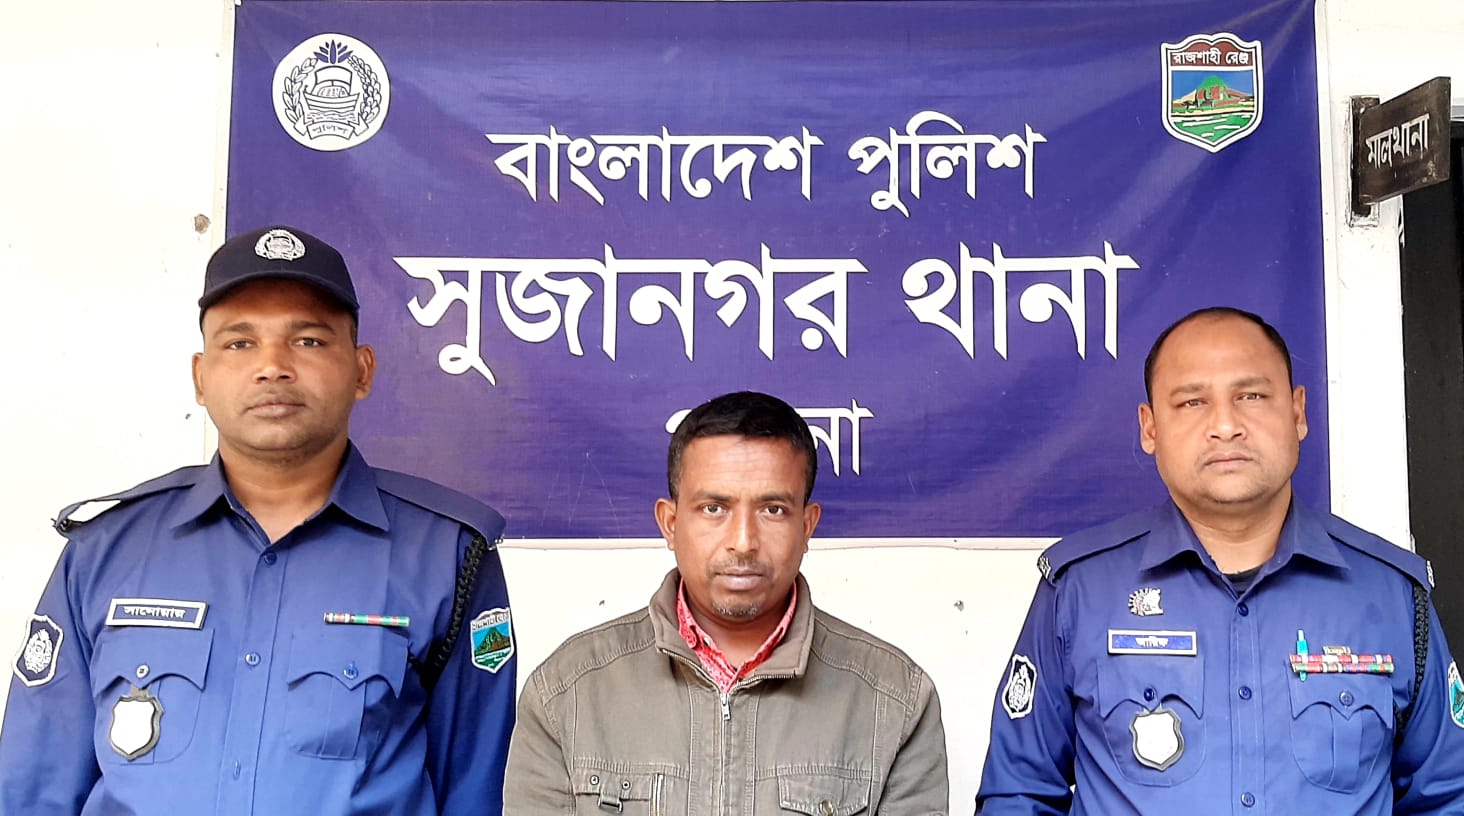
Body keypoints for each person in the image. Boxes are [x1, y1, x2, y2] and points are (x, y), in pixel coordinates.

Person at [0, 226, 517, 815]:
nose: (272, 366)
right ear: (200, 377)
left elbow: (476, 790)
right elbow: (34, 787)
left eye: (309, 340)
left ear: (362, 370)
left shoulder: (448, 556)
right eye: (240, 343)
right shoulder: (105, 550)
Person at [976, 307, 1464, 814]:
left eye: (1251, 396)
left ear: (1298, 413)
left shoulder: (1391, 594)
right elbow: (1019, 793)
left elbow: (1449, 795)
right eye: (1192, 402)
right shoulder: (1079, 591)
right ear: (1150, 428)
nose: (1226, 426)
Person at [504, 390, 949, 814]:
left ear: (807, 526)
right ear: (670, 523)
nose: (743, 541)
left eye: (773, 509)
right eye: (714, 508)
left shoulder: (895, 700)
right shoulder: (567, 692)